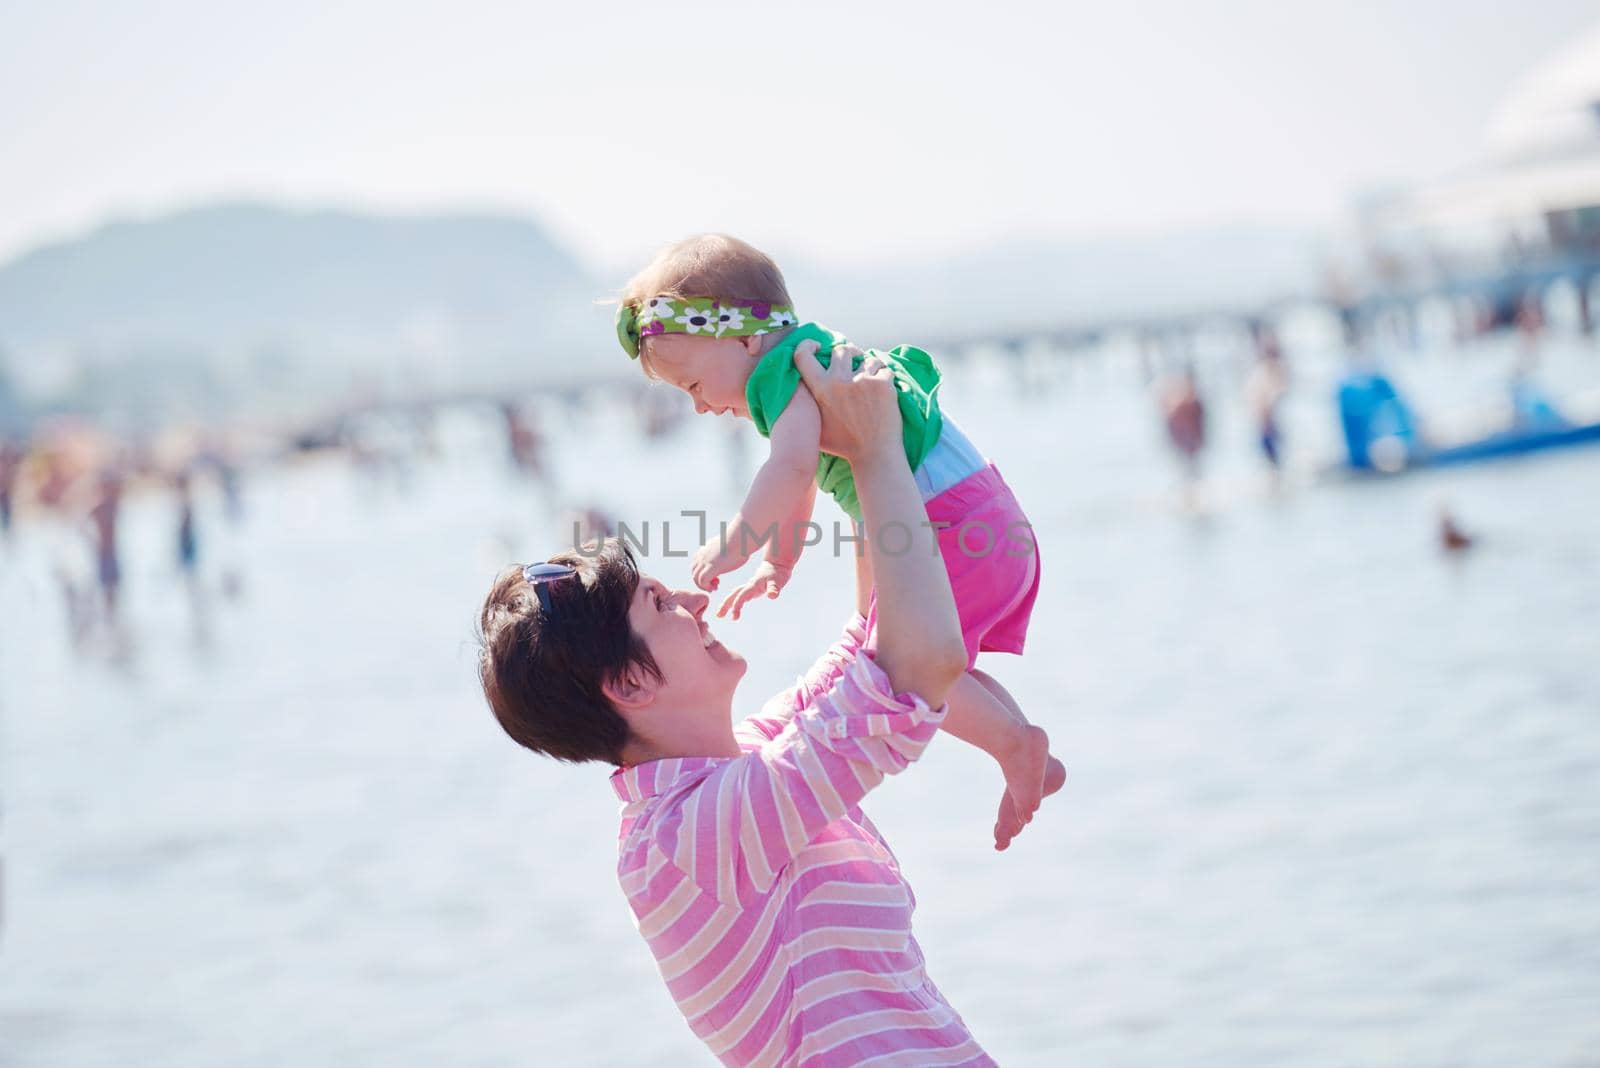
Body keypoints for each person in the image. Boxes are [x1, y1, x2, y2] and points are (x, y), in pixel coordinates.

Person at [478, 349, 1026, 1065]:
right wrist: (878, 450)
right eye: (663, 604)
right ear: (630, 685)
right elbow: (917, 668)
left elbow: (873, 641)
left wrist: (847, 455)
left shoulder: (736, 768)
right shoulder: (686, 839)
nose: (695, 600)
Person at [614, 234, 1060, 848]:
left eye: (693, 385)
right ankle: (1021, 741)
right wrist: (781, 560)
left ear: (743, 339)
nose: (700, 408)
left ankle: (1014, 746)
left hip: (950, 530)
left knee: (900, 674)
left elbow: (790, 470)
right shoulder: (815, 355)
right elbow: (802, 483)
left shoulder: (784, 375)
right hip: (988, 518)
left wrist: (735, 544)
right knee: (939, 665)